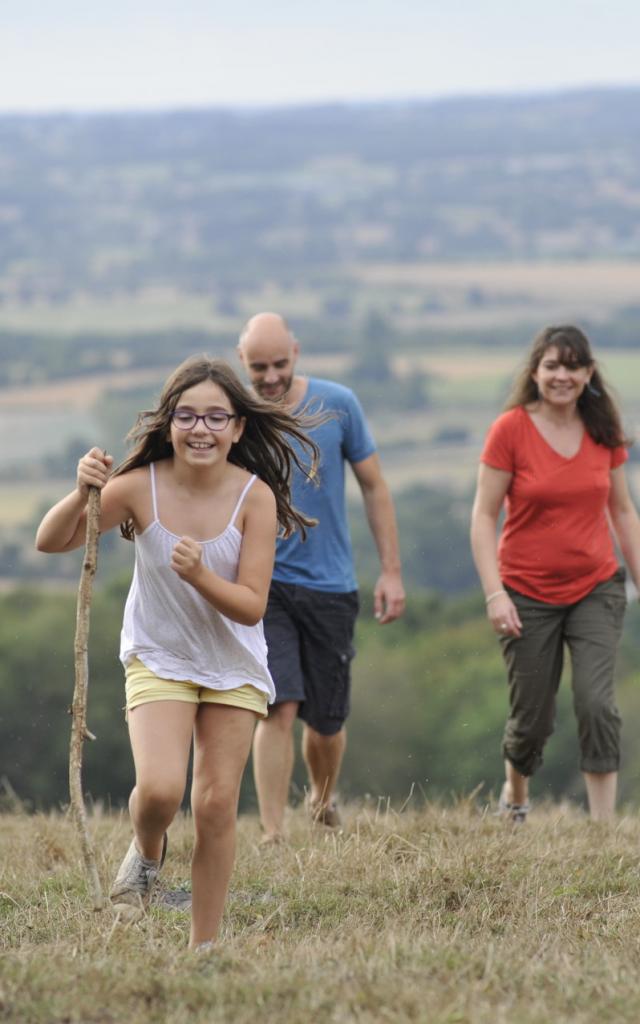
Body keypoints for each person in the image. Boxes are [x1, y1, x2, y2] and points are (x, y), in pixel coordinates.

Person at [35, 356, 318, 951]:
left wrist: (199, 577)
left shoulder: (254, 497)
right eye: (187, 415)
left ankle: (203, 947)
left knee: (215, 804)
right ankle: (147, 847)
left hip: (233, 664)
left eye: (217, 417)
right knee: (161, 791)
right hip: (159, 655)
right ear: (169, 424)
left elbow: (250, 606)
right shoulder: (142, 487)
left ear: (239, 428)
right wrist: (82, 490)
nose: (202, 429)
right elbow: (52, 540)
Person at [237, 312, 406, 842]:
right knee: (277, 706)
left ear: (297, 352)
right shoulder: (235, 416)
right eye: (258, 367)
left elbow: (374, 486)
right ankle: (271, 831)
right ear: (243, 362)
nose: (269, 377)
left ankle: (322, 797)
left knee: (326, 722)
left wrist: (392, 572)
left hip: (332, 585)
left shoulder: (339, 404)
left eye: (279, 365)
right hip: (264, 586)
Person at [470, 325, 640, 823]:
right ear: (536, 372)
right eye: (552, 366)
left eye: (572, 366)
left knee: (597, 703)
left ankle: (602, 826)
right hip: (524, 591)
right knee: (532, 719)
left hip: (596, 587)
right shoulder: (511, 430)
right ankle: (516, 799)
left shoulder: (602, 429)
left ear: (589, 373)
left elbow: (623, 511)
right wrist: (494, 594)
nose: (561, 376)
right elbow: (483, 516)